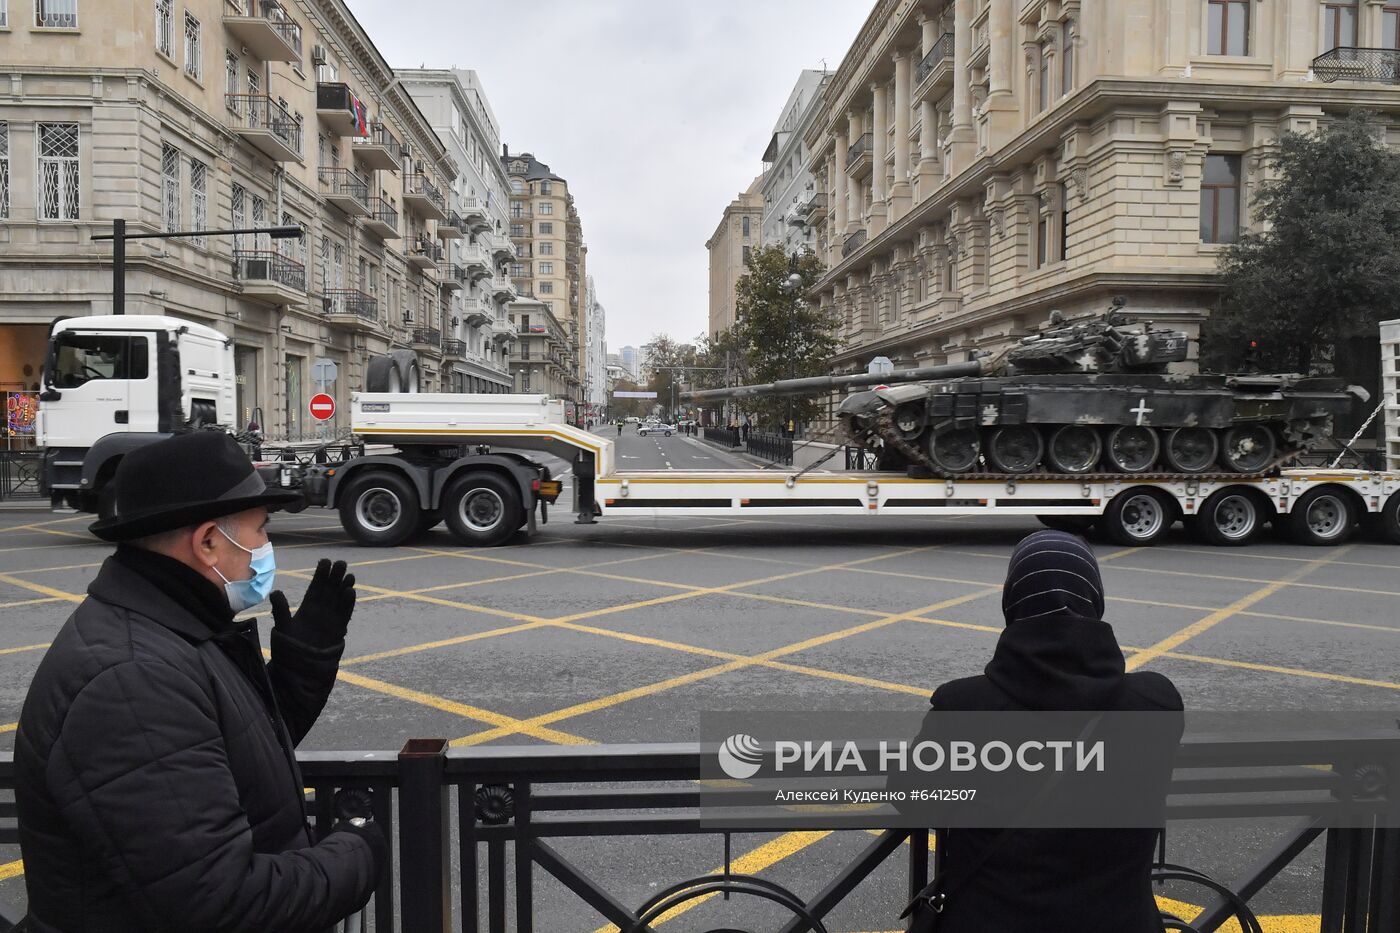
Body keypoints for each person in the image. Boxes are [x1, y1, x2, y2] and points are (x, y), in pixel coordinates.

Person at [14, 432, 385, 932]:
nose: (265, 548)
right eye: (260, 531)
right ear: (209, 542)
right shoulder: (131, 680)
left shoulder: (169, 627)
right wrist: (356, 853)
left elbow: (227, 763)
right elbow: (221, 901)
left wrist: (304, 662)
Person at [906, 530, 1183, 933]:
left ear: (1010, 602)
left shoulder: (964, 707)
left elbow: (914, 799)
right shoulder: (1157, 702)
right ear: (1096, 601)